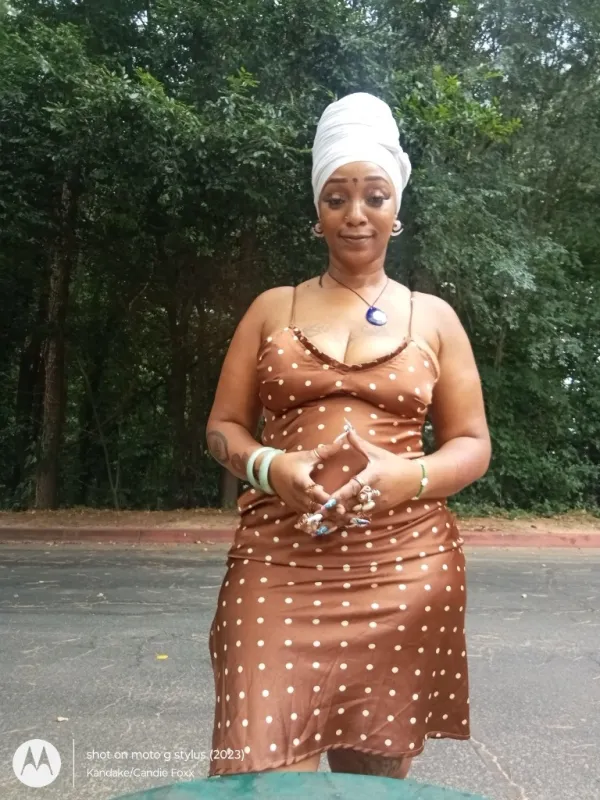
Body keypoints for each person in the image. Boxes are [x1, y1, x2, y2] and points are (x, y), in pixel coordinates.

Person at [205, 92, 491, 779]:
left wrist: (409, 477)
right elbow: (222, 428)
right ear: (318, 212)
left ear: (397, 208)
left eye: (374, 196)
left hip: (403, 569)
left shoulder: (434, 318)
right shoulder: (272, 309)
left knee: (372, 782)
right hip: (279, 562)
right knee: (261, 776)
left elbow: (472, 444)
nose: (356, 213)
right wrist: (269, 466)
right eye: (337, 198)